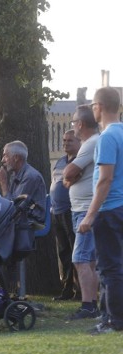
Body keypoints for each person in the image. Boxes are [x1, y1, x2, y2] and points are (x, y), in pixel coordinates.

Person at [78, 87, 123, 334]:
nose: (92, 109)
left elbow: (105, 179)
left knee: (109, 268)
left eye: (93, 105)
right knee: (118, 266)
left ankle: (113, 321)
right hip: (121, 207)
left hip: (109, 209)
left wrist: (90, 214)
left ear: (100, 107)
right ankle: (109, 316)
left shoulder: (107, 137)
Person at [63, 106, 100, 318]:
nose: (72, 127)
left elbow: (68, 171)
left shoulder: (90, 143)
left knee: (81, 258)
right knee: (90, 260)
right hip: (82, 208)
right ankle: (93, 303)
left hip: (86, 209)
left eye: (73, 123)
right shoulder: (92, 143)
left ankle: (88, 306)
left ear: (80, 124)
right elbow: (69, 176)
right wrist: (71, 176)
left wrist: (71, 176)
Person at [50, 130, 80, 301]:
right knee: (64, 253)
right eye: (64, 140)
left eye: (70, 140)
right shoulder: (60, 161)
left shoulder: (80, 162)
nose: (66, 143)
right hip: (57, 212)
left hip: (71, 211)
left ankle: (79, 291)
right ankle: (67, 289)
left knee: (76, 251)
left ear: (79, 142)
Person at [0, 141, 46, 224]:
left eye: (5, 156)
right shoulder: (15, 175)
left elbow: (13, 208)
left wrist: (3, 183)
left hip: (30, 221)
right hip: (20, 219)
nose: (2, 160)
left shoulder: (30, 177)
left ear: (16, 158)